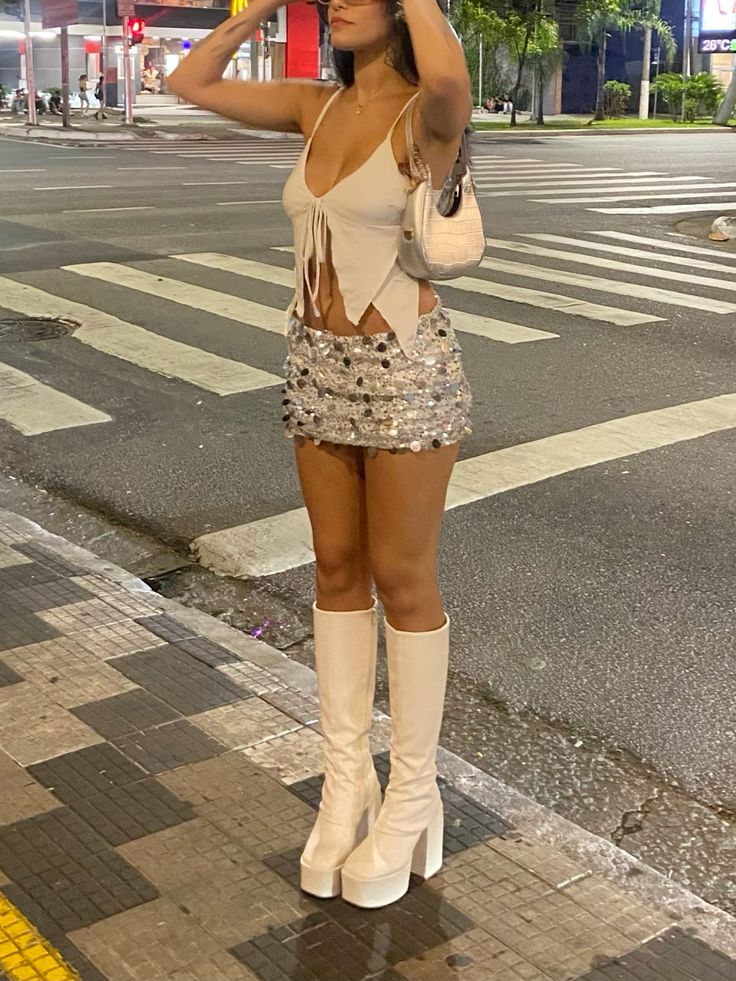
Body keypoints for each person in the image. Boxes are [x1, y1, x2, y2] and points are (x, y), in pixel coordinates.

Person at [168, 0, 472, 911]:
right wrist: (260, 6)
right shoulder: (317, 105)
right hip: (315, 362)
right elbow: (190, 81)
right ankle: (348, 784)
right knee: (335, 567)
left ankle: (413, 798)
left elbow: (449, 76)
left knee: (402, 577)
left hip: (405, 368)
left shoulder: (428, 115)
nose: (338, 2)